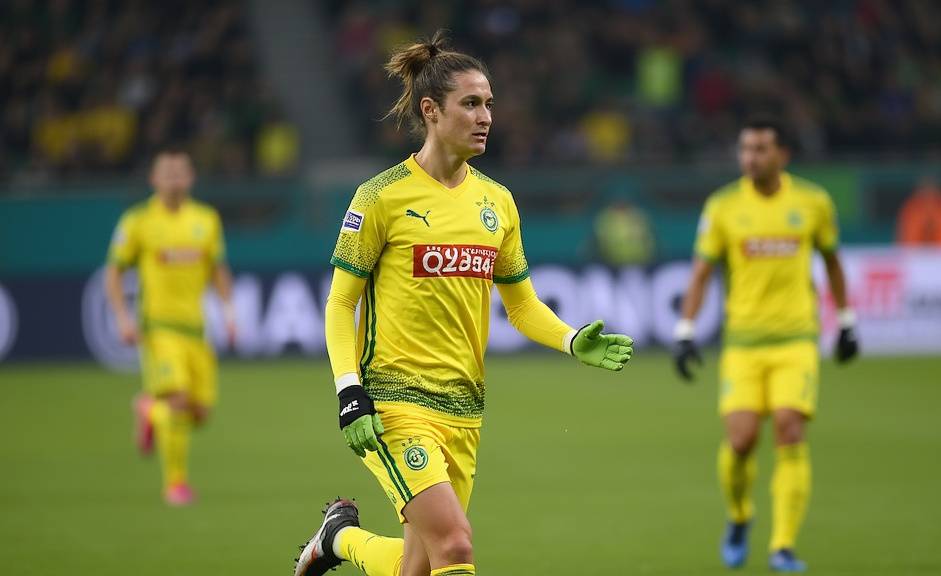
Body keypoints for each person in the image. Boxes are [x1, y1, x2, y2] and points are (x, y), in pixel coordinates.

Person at [293, 32, 634, 576]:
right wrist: (350, 393)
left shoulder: (496, 201)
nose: (486, 117)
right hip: (395, 403)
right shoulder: (381, 197)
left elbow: (521, 307)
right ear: (430, 111)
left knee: (420, 565)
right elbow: (340, 304)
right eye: (471, 103)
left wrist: (571, 339)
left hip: (466, 409)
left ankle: (340, 540)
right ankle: (339, 538)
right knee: (456, 548)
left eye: (490, 104)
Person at [672, 118, 859, 572]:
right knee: (741, 441)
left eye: (759, 149)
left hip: (797, 339)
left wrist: (847, 321)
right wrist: (686, 331)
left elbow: (832, 262)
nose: (750, 158)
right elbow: (701, 273)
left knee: (791, 430)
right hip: (744, 343)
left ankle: (783, 545)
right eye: (745, 149)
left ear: (782, 155)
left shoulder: (812, 202)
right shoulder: (724, 206)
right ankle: (739, 517)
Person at [105, 149, 236, 506]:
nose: (175, 178)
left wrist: (228, 311)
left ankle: (149, 410)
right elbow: (114, 271)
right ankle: (175, 484)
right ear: (154, 179)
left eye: (181, 172)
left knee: (199, 412)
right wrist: (121, 316)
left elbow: (217, 268)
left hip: (196, 329)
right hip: (159, 328)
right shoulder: (138, 222)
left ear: (191, 178)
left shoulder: (206, 219)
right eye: (168, 172)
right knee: (178, 401)